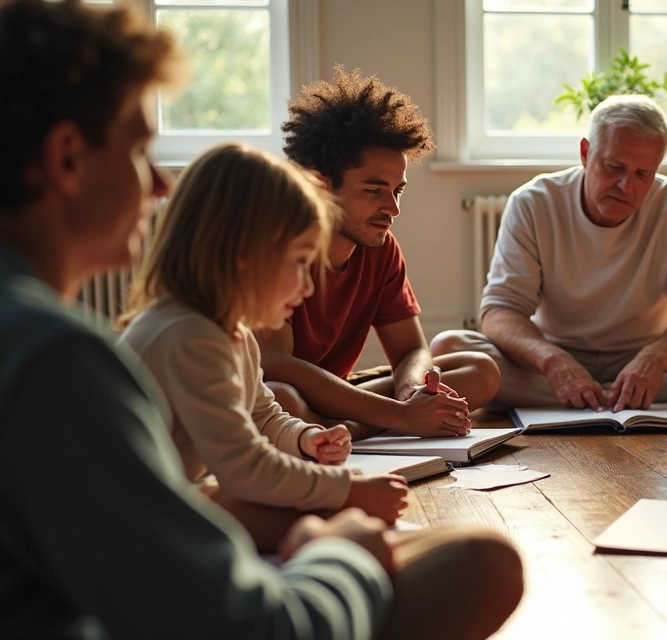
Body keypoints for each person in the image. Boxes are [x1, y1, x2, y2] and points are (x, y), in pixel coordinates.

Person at [0, 2, 522, 638]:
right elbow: (253, 625)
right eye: (141, 150)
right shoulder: (56, 360)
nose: (162, 185)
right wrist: (343, 549)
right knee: (483, 563)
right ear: (67, 158)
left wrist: (329, 449)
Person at [119, 143, 414, 549]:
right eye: (299, 262)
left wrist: (304, 437)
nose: (309, 285)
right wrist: (346, 488)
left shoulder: (232, 332)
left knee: (336, 518)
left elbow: (263, 414)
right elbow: (244, 467)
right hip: (134, 526)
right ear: (244, 254)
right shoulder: (189, 336)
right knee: (344, 521)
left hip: (168, 503)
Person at [432, 95, 667, 411]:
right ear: (585, 153)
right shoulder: (533, 202)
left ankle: (594, 399)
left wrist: (655, 359)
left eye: (644, 173)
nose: (627, 186)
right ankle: (622, 400)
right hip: (548, 362)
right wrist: (553, 361)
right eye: (615, 167)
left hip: (650, 363)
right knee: (448, 348)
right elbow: (500, 310)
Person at [258, 67, 500, 439]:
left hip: (340, 394)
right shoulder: (277, 245)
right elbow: (275, 363)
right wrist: (404, 417)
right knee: (282, 397)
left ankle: (344, 430)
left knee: (479, 369)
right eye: (374, 191)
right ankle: (360, 427)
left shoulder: (381, 248)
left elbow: (411, 351)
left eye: (397, 191)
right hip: (287, 394)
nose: (393, 209)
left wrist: (413, 392)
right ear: (322, 185)